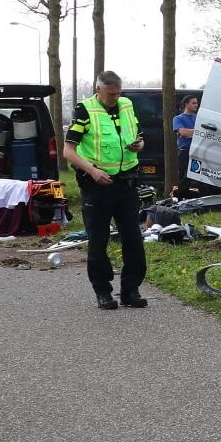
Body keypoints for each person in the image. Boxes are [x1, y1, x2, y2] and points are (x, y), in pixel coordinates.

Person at [65, 71, 148, 310]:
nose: (115, 98)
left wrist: (138, 145)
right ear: (98, 89)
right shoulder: (85, 110)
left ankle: (131, 290)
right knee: (98, 240)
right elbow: (68, 151)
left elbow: (139, 137)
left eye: (118, 93)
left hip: (127, 182)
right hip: (97, 185)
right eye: (111, 94)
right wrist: (92, 171)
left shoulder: (127, 105)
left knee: (133, 238)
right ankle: (103, 292)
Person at [171, 95, 199, 191]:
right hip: (185, 152)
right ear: (186, 104)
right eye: (194, 103)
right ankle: (180, 198)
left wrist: (191, 132)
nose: (196, 105)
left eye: (197, 103)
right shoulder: (178, 118)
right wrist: (199, 132)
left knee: (199, 180)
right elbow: (183, 133)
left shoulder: (199, 118)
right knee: (184, 179)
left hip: (199, 151)